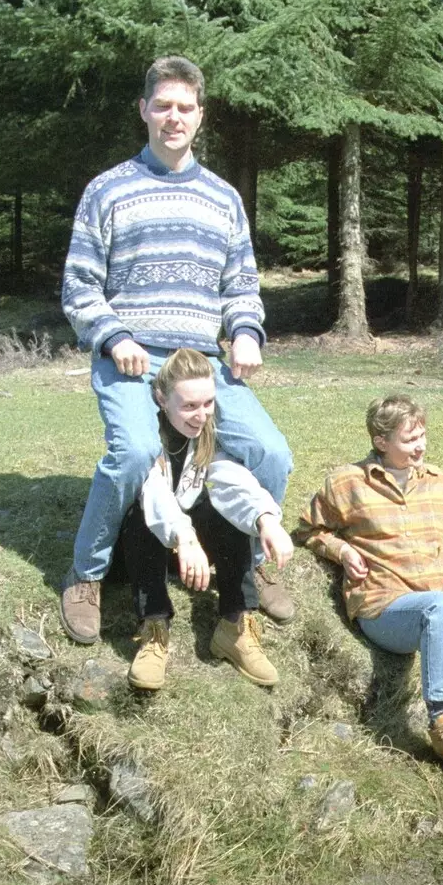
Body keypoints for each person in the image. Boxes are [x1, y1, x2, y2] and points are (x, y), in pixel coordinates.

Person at [60, 54, 294, 645]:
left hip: (203, 363)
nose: (173, 117)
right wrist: (115, 337)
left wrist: (244, 332)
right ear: (143, 110)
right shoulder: (107, 190)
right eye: (162, 105)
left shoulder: (223, 198)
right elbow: (79, 285)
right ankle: (86, 576)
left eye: (185, 108)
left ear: (201, 116)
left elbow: (242, 285)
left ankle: (255, 560)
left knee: (270, 451)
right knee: (137, 451)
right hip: (131, 358)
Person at [296, 393, 443, 784]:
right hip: (386, 608)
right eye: (409, 440)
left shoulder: (438, 481)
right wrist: (341, 550)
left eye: (423, 436)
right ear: (380, 441)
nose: (421, 446)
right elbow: (309, 530)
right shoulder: (347, 483)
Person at [122, 349, 294, 691]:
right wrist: (184, 537)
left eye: (208, 403)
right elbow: (153, 491)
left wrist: (266, 518)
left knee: (230, 514)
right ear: (161, 398)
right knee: (139, 516)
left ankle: (234, 625)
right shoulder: (145, 435)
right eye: (188, 406)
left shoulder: (210, 431)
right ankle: (154, 628)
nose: (200, 415)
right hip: (146, 546)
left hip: (191, 551)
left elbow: (230, 478)